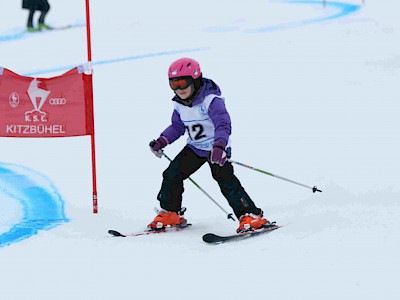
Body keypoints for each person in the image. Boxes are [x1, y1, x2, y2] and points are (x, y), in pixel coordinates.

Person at [148, 57, 271, 233]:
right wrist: (162, 140)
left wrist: (220, 147)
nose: (179, 89)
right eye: (173, 85)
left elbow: (223, 124)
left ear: (195, 80)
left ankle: (250, 215)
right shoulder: (179, 104)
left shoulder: (211, 100)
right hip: (195, 148)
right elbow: (177, 126)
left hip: (216, 149)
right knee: (172, 174)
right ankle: (171, 213)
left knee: (225, 180)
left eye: (182, 83)